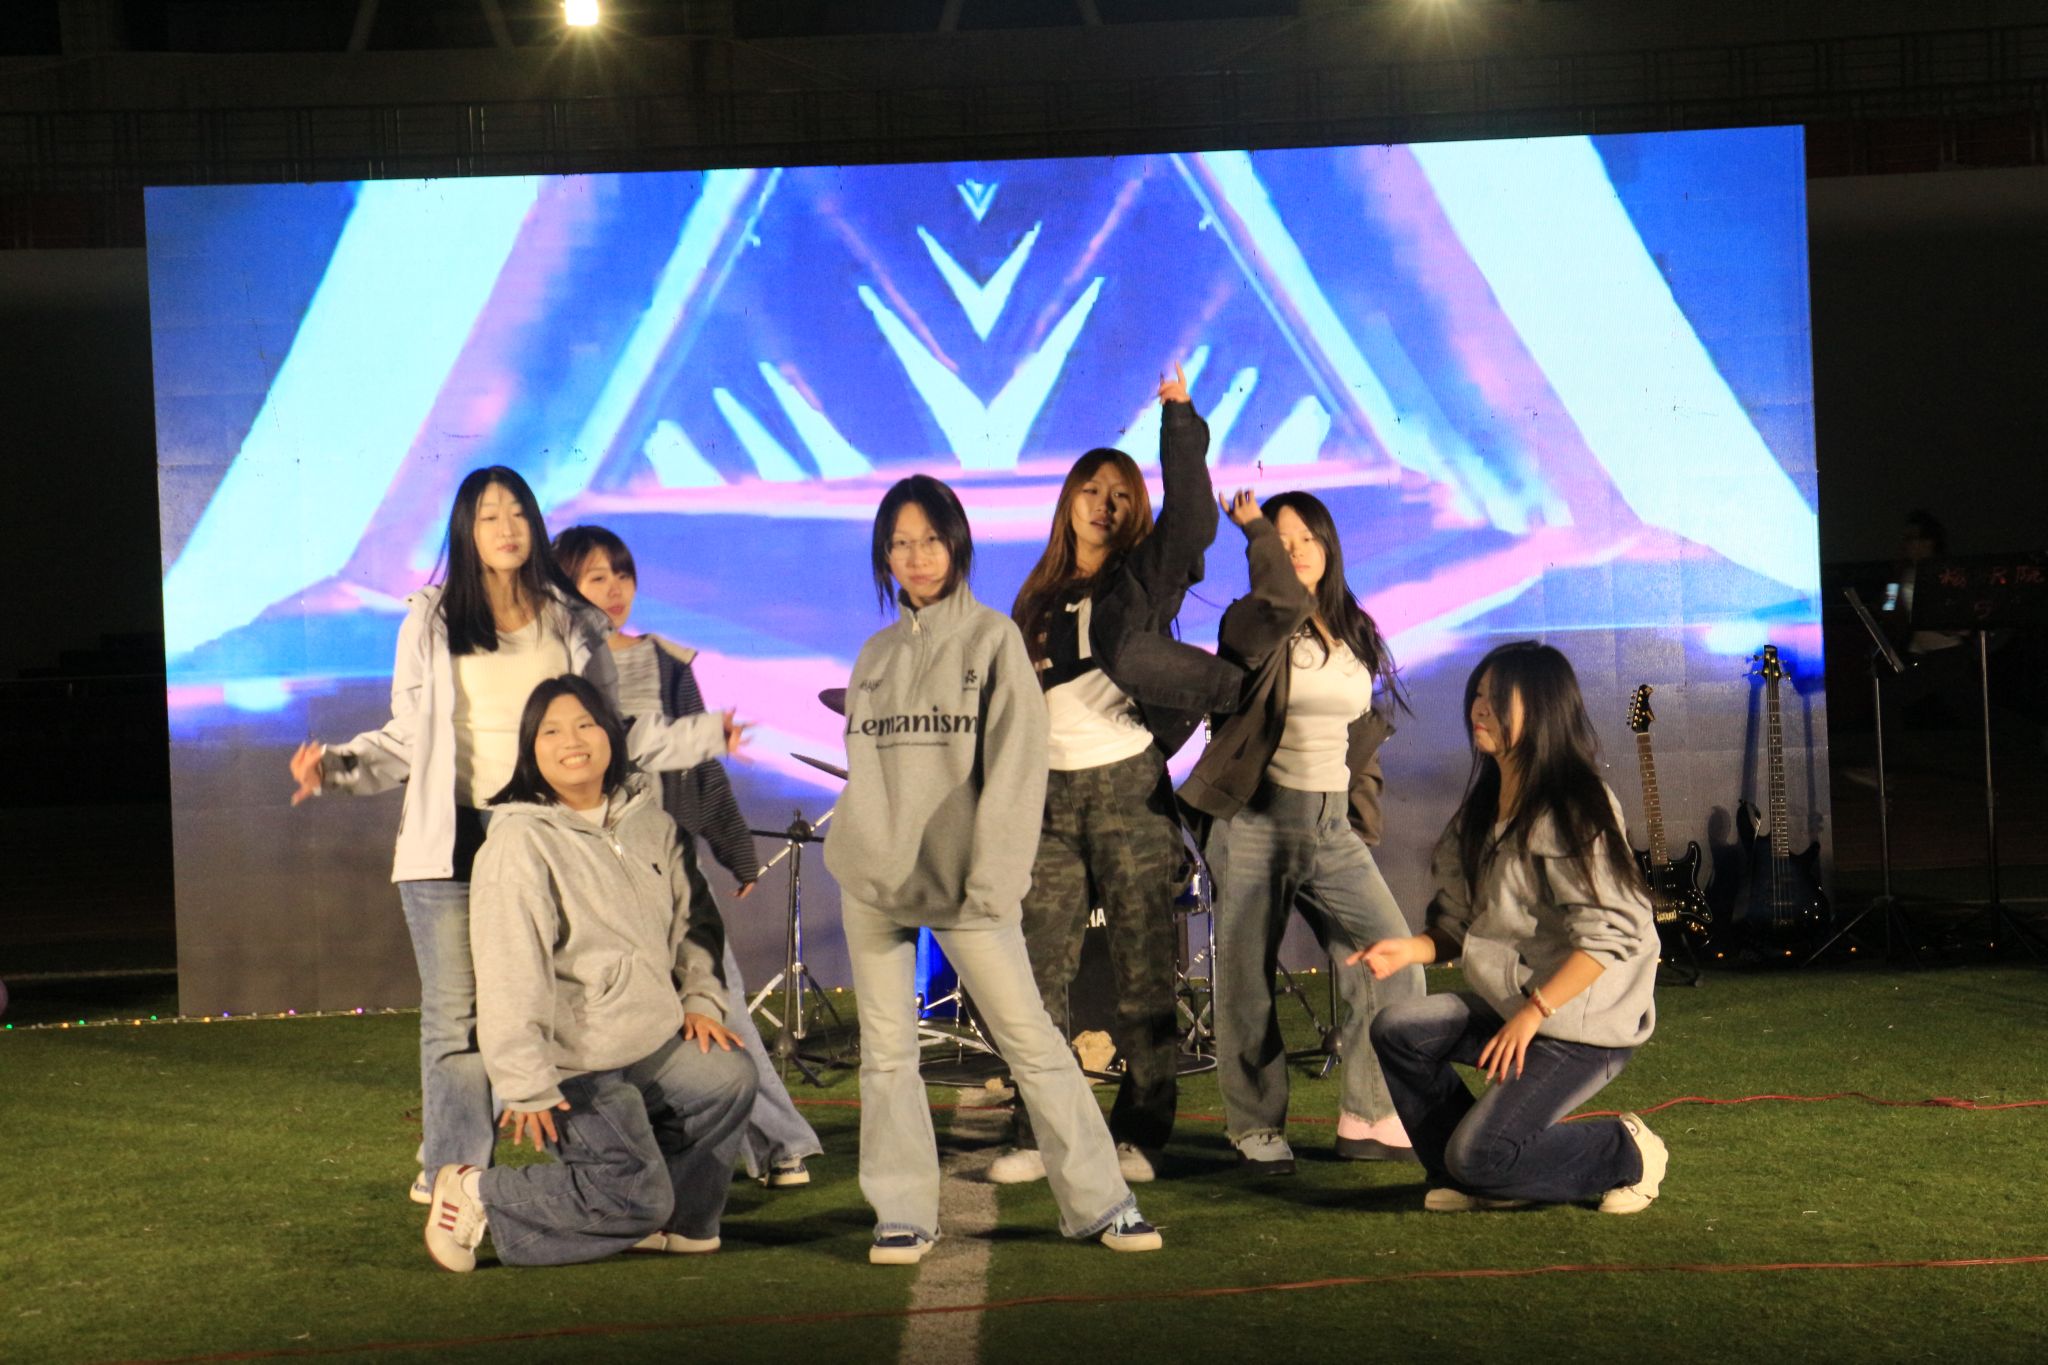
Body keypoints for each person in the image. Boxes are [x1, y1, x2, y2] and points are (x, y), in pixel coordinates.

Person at [286, 466, 744, 1202]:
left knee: (565, 996)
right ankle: (455, 1172)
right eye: (488, 516)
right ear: (465, 531)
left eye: (517, 514)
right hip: (453, 841)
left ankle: (606, 1147)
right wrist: (337, 768)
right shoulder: (432, 620)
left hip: (546, 836)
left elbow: (607, 728)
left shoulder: (570, 620)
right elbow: (407, 735)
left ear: (534, 525)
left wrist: (701, 735)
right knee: (456, 1019)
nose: (505, 529)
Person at [824, 474, 1162, 1264]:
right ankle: (902, 1211)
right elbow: (868, 773)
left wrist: (994, 879)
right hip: (873, 885)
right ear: (884, 554)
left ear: (957, 544)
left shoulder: (993, 640)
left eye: (929, 540)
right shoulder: (875, 655)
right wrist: (863, 852)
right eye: (899, 543)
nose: (916, 556)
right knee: (887, 1055)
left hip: (968, 889)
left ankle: (1103, 1202)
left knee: (1033, 1044)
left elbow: (1015, 770)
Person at [993, 364, 1244, 1185]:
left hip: (1127, 790)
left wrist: (1179, 419)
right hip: (1048, 798)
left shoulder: (1141, 577)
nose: (1104, 503)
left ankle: (1142, 1130)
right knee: (1037, 970)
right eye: (1091, 489)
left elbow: (1195, 517)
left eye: (1120, 494)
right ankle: (1038, 1128)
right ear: (1067, 499)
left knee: (1143, 972)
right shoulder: (1035, 596)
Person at [422, 676, 758, 1271]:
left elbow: (696, 920)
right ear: (531, 751)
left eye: (585, 724)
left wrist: (702, 999)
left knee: (726, 1077)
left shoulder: (652, 823)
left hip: (648, 1037)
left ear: (610, 735)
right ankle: (476, 1191)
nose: (571, 741)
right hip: (573, 1063)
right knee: (634, 1195)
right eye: (551, 731)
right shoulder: (519, 841)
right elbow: (508, 967)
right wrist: (526, 1082)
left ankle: (676, 1222)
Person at [1353, 642, 1667, 1214]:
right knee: (1398, 1029)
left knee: (1480, 1155)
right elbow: (1459, 921)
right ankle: (1469, 1177)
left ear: (1542, 709)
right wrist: (1411, 949)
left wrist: (1534, 1012)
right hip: (1520, 1005)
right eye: (1478, 694)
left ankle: (1626, 1153)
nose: (1480, 708)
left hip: (1584, 1024)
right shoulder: (1482, 809)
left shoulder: (1575, 806)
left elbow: (1610, 935)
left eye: (1498, 699)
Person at [554, 524, 823, 1189]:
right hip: (588, 869)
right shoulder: (552, 667)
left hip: (664, 862)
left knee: (718, 1000)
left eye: (622, 574)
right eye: (595, 577)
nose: (613, 589)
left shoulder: (666, 661)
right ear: (564, 586)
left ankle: (782, 1143)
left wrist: (733, 848)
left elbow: (699, 763)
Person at [1178, 489, 1419, 1173]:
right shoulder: (1253, 621)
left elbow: (1359, 733)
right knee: (1247, 977)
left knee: (1393, 960)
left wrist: (1359, 816)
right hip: (1258, 816)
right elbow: (1275, 603)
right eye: (1279, 542)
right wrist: (1253, 528)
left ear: (1329, 545)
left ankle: (1369, 1114)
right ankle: (1254, 1124)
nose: (1295, 551)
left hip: (1329, 820)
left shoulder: (1353, 628)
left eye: (1306, 538)